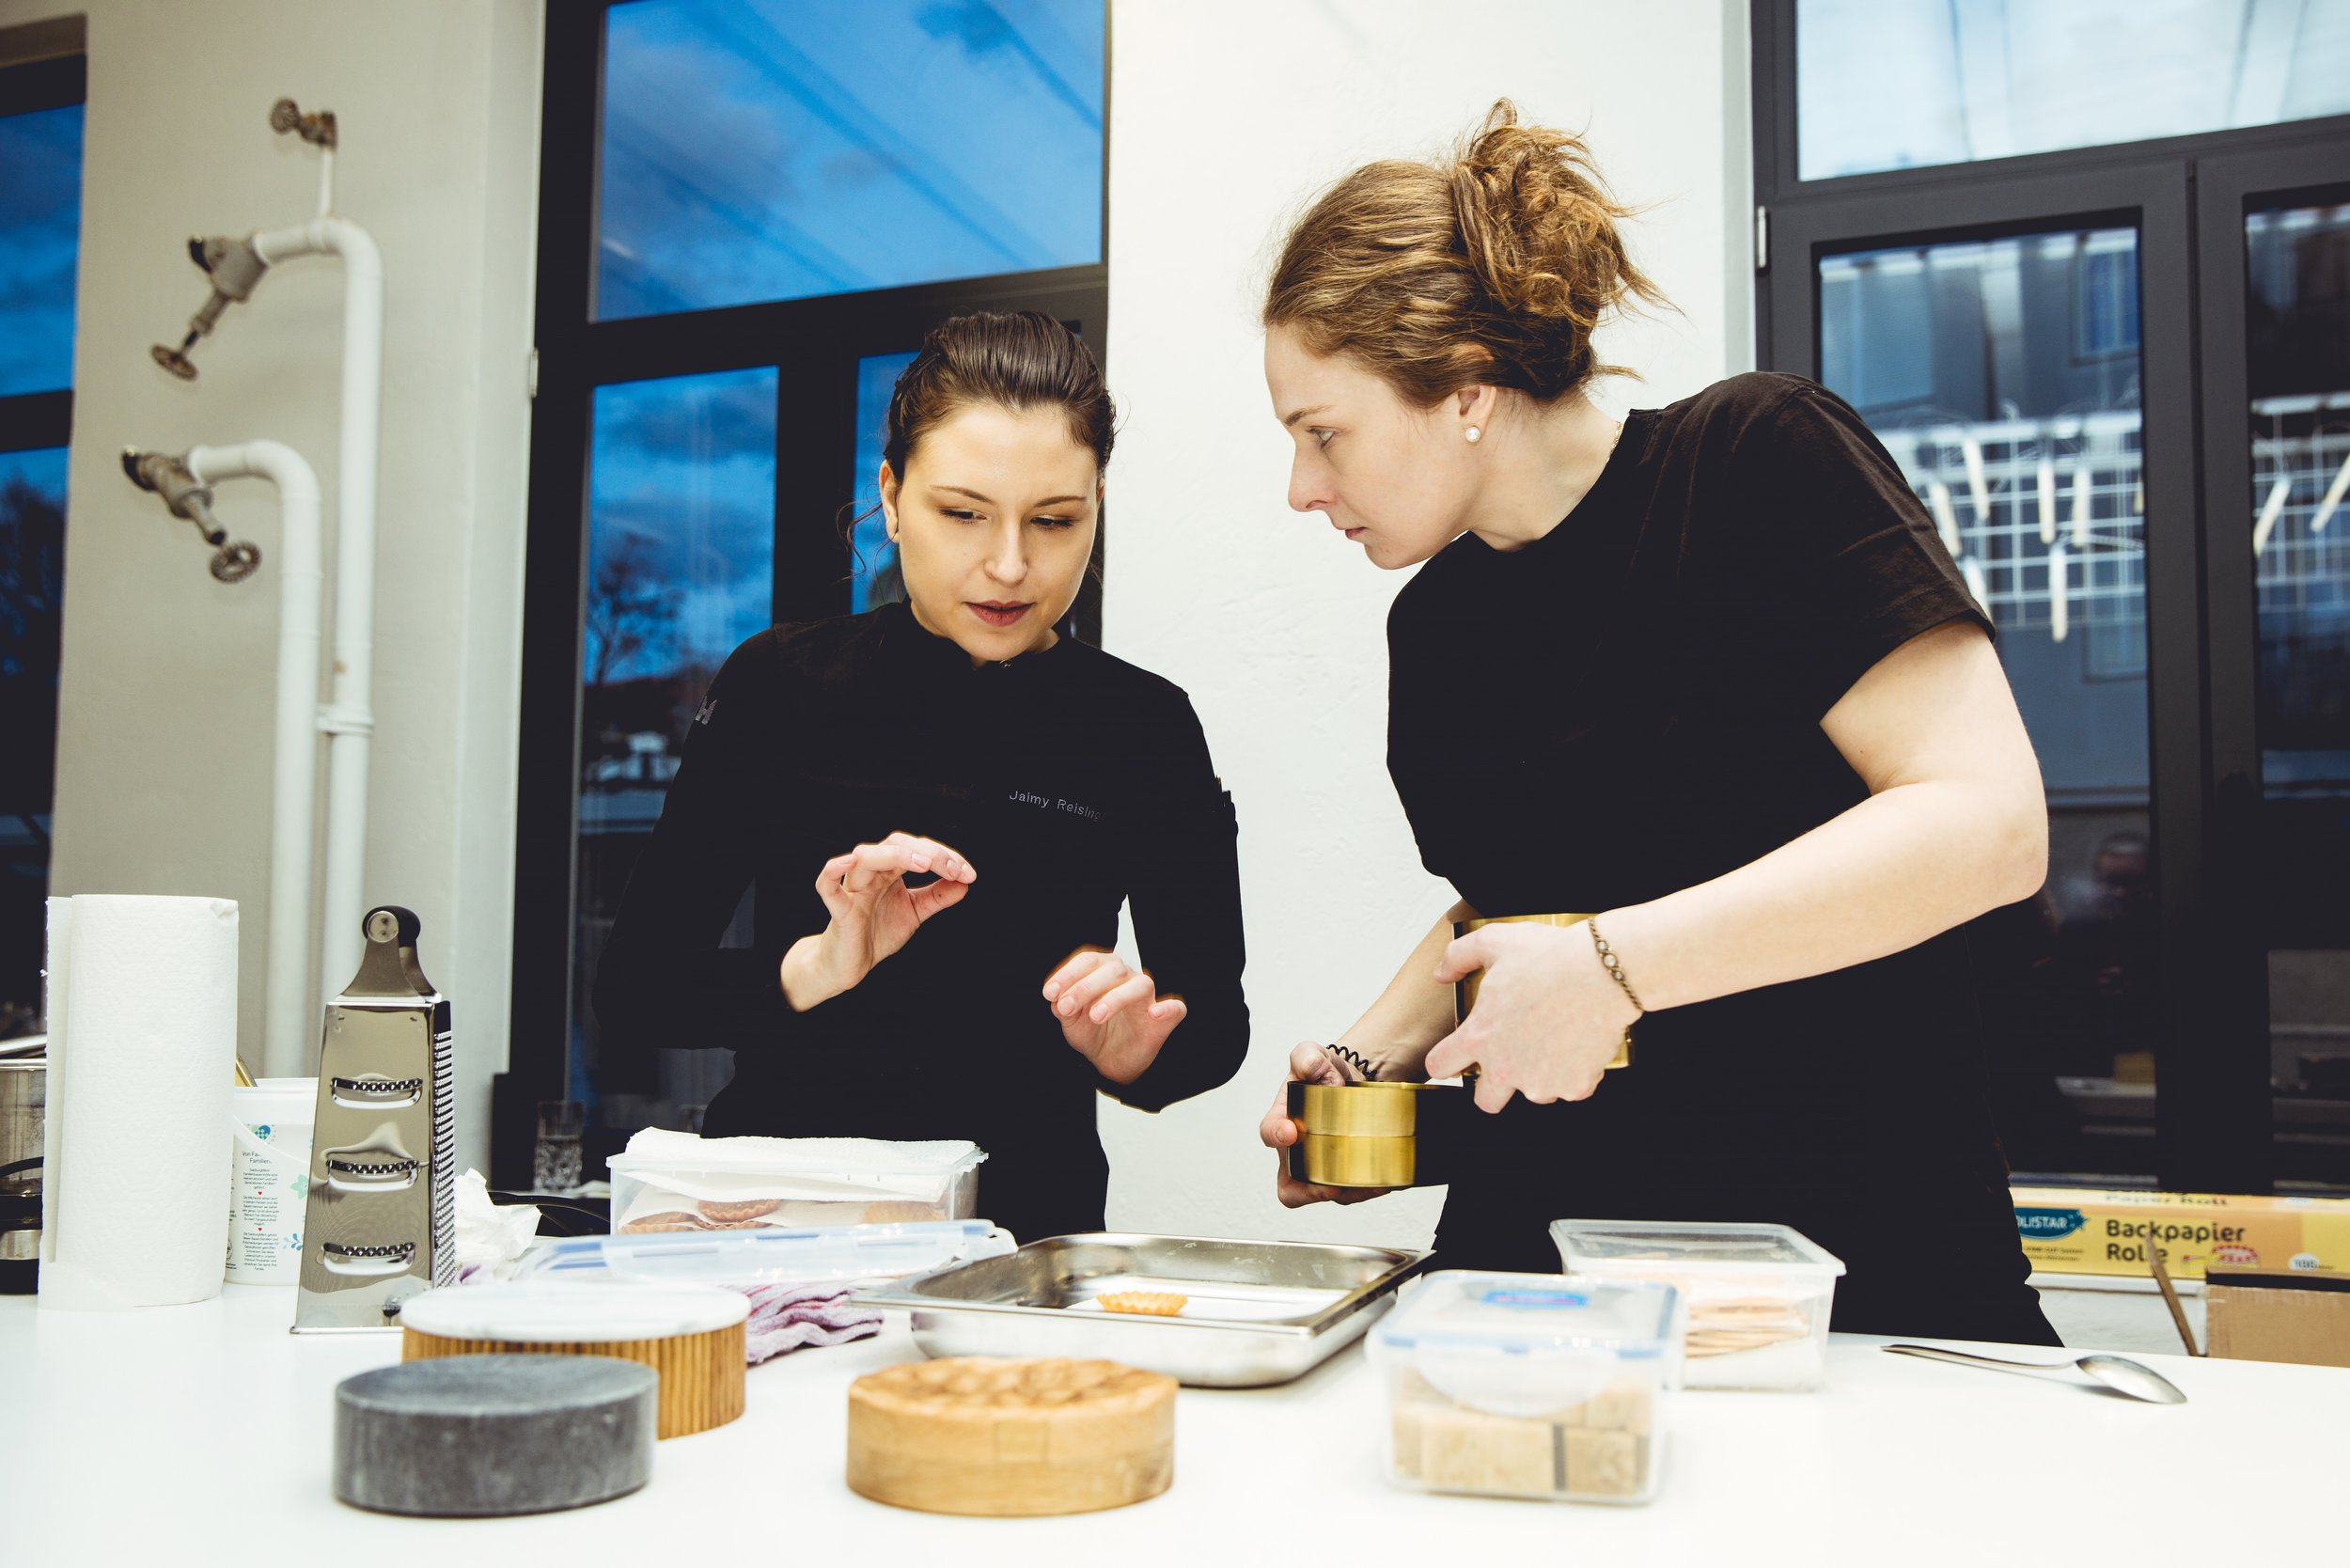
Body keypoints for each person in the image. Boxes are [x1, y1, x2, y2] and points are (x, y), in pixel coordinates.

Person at [1255, 102, 2059, 1343]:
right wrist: (1366, 1064)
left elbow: (1988, 824)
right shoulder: (1442, 624)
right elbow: (1514, 899)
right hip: (1541, 1273)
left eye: (1324, 434)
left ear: (1465, 391)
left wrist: (1613, 972)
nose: (1303, 488)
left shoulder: (1756, 465)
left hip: (1851, 1258)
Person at [596, 310, 1249, 1243]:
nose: (1011, 565)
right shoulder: (779, 685)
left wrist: (1132, 1053)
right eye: (962, 513)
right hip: (786, 1221)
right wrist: (817, 967)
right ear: (892, 497)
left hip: (1022, 1235)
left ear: (1096, 505)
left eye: (1056, 521)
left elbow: (1213, 1030)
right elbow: (636, 989)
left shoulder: (1141, 727)